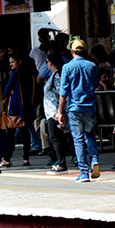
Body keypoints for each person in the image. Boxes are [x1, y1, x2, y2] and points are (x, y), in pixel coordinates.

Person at [56, 40, 100, 182]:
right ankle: (94, 160)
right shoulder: (92, 66)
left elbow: (63, 92)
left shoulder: (67, 68)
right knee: (90, 135)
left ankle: (83, 172)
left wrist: (60, 111)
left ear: (72, 51)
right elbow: (94, 85)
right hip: (90, 106)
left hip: (74, 108)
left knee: (78, 139)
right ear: (85, 51)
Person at [0, 53, 34, 167]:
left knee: (10, 134)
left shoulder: (16, 74)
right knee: (26, 134)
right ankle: (26, 159)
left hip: (15, 108)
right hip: (27, 107)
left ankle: (7, 158)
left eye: (13, 62)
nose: (11, 65)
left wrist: (7, 94)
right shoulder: (30, 75)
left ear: (19, 61)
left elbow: (6, 89)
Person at [44, 52, 68, 174]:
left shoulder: (57, 76)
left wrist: (60, 112)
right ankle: (59, 161)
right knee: (54, 137)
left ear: (50, 62)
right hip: (50, 112)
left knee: (55, 137)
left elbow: (61, 94)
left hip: (54, 112)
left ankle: (61, 162)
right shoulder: (53, 75)